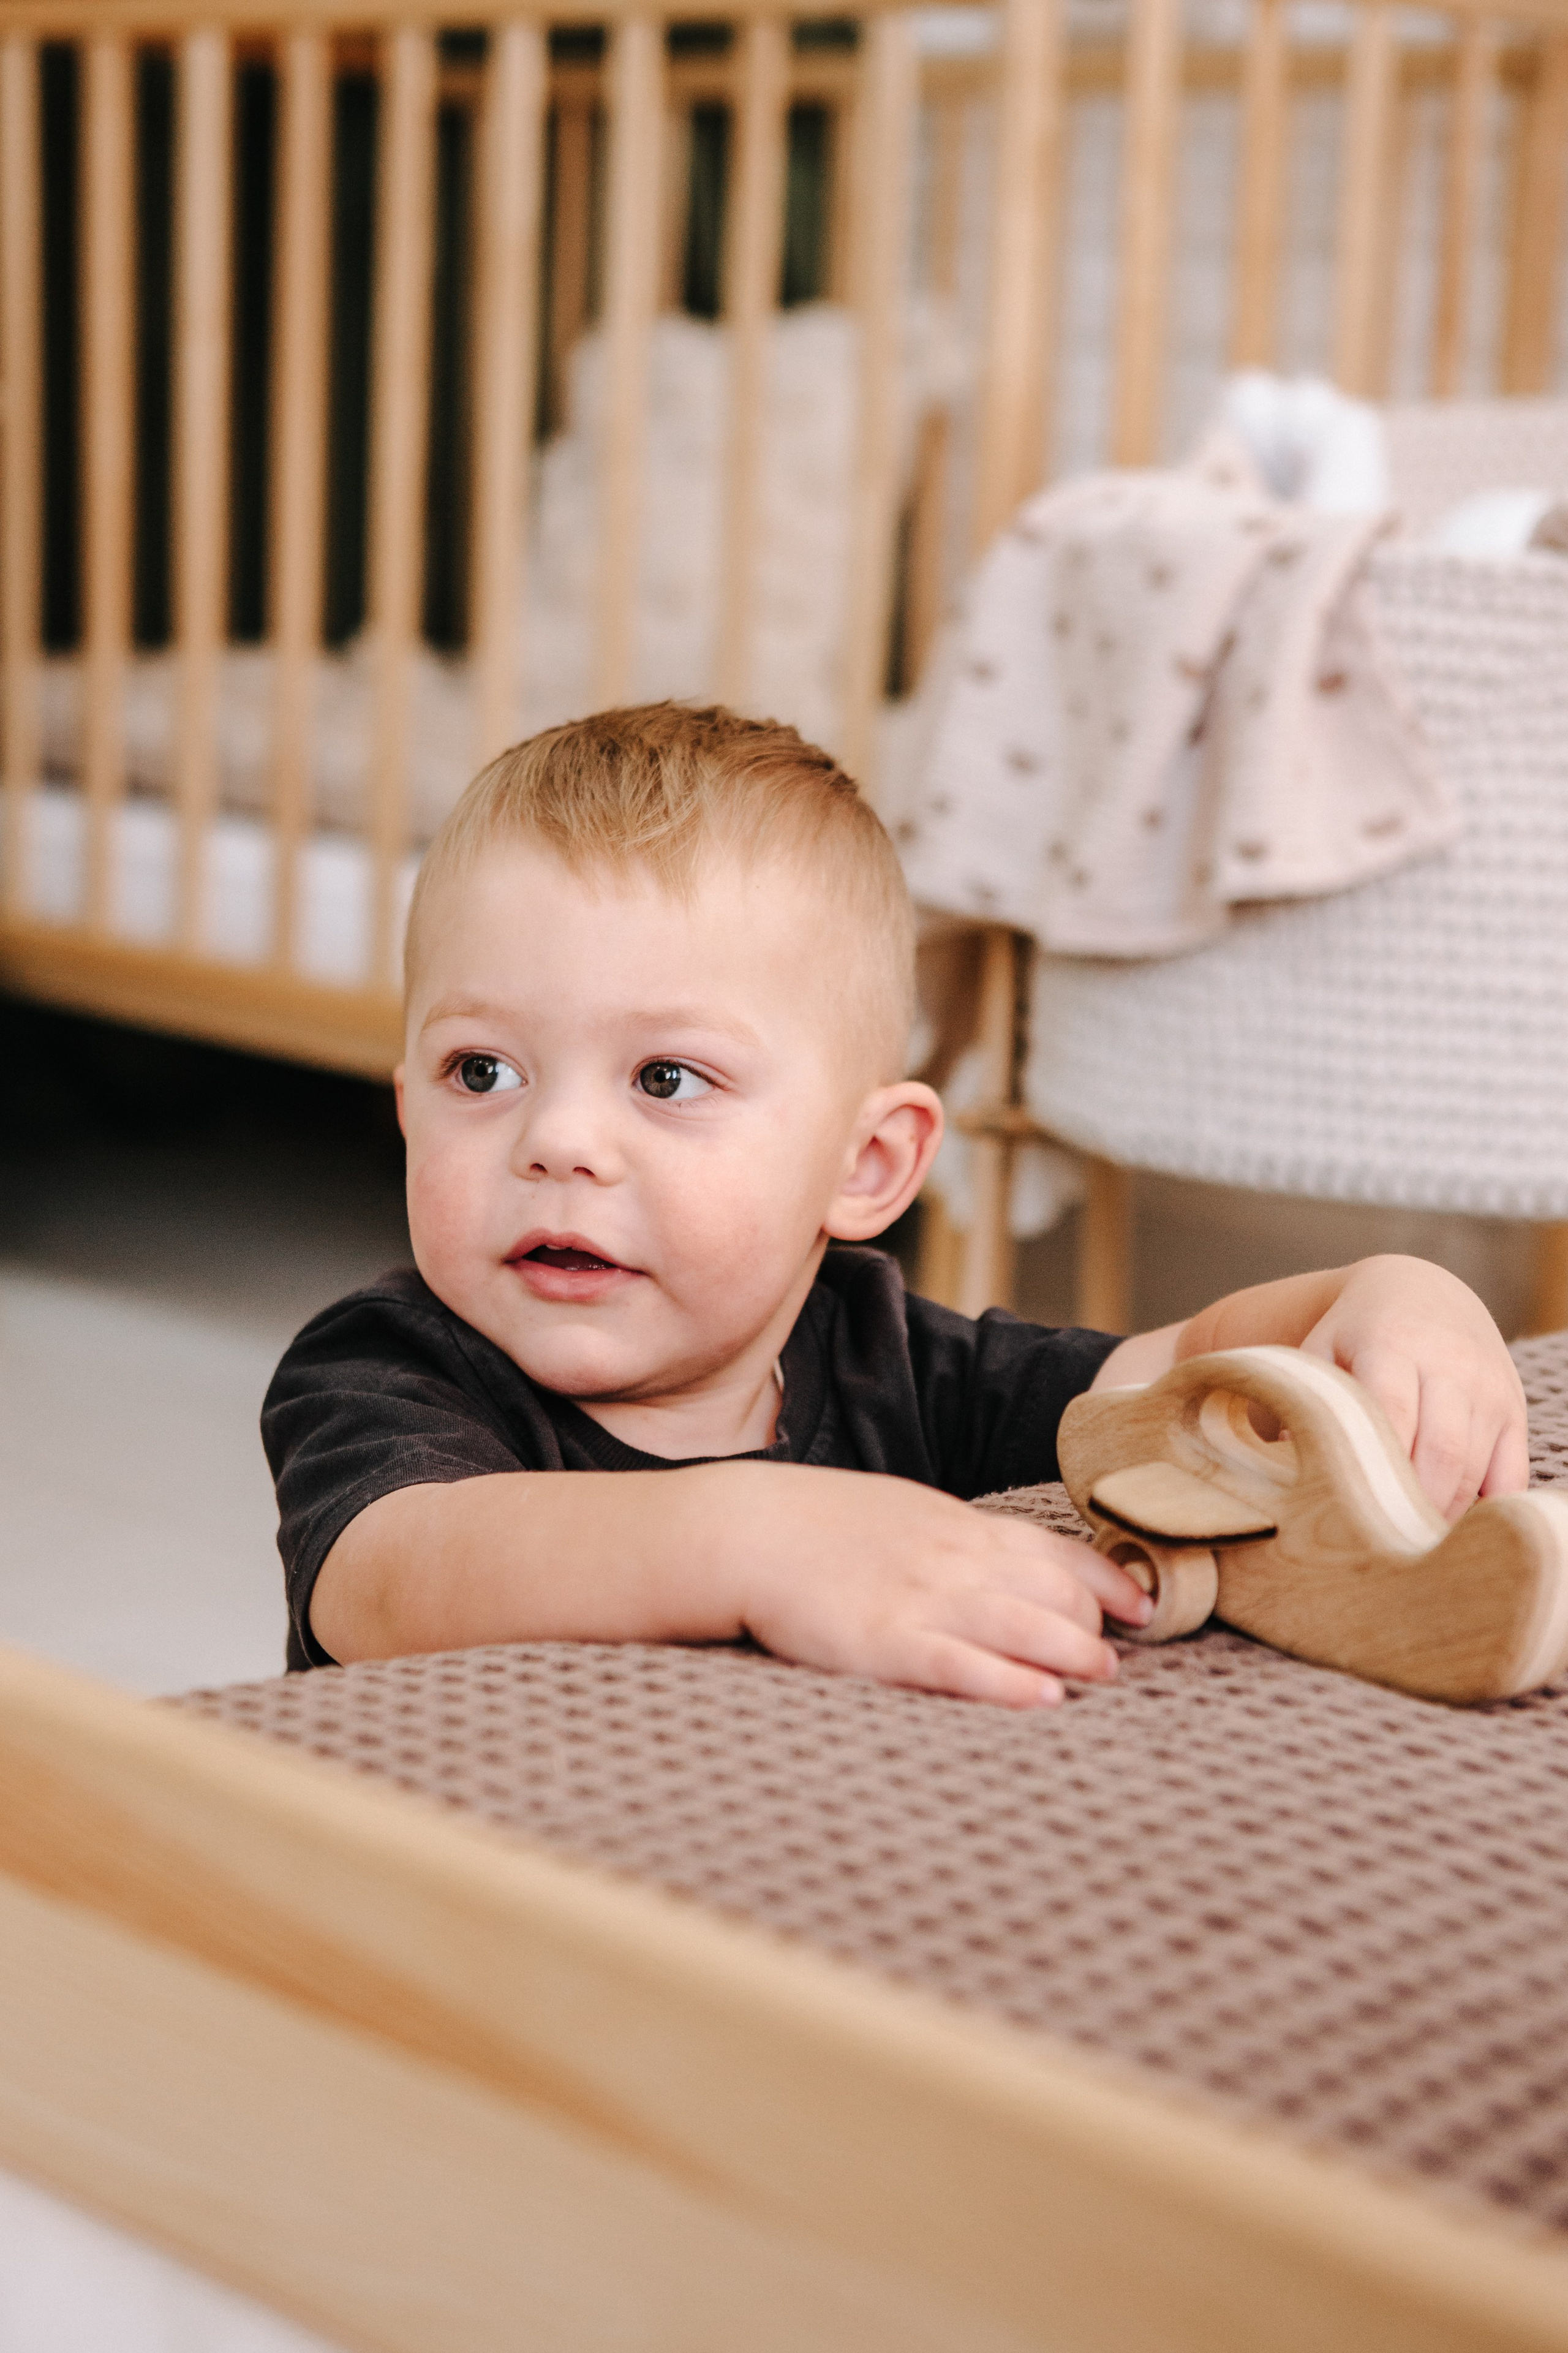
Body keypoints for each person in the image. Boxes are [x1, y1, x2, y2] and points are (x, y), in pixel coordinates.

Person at [263, 703, 1528, 1701]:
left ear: (864, 1165)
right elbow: (394, 1576)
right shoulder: (387, 1368)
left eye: (665, 1078)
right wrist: (753, 1539)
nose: (556, 1141)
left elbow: (1185, 1382)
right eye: (479, 1071)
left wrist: (1390, 1295)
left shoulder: (898, 1366)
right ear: (406, 1102)